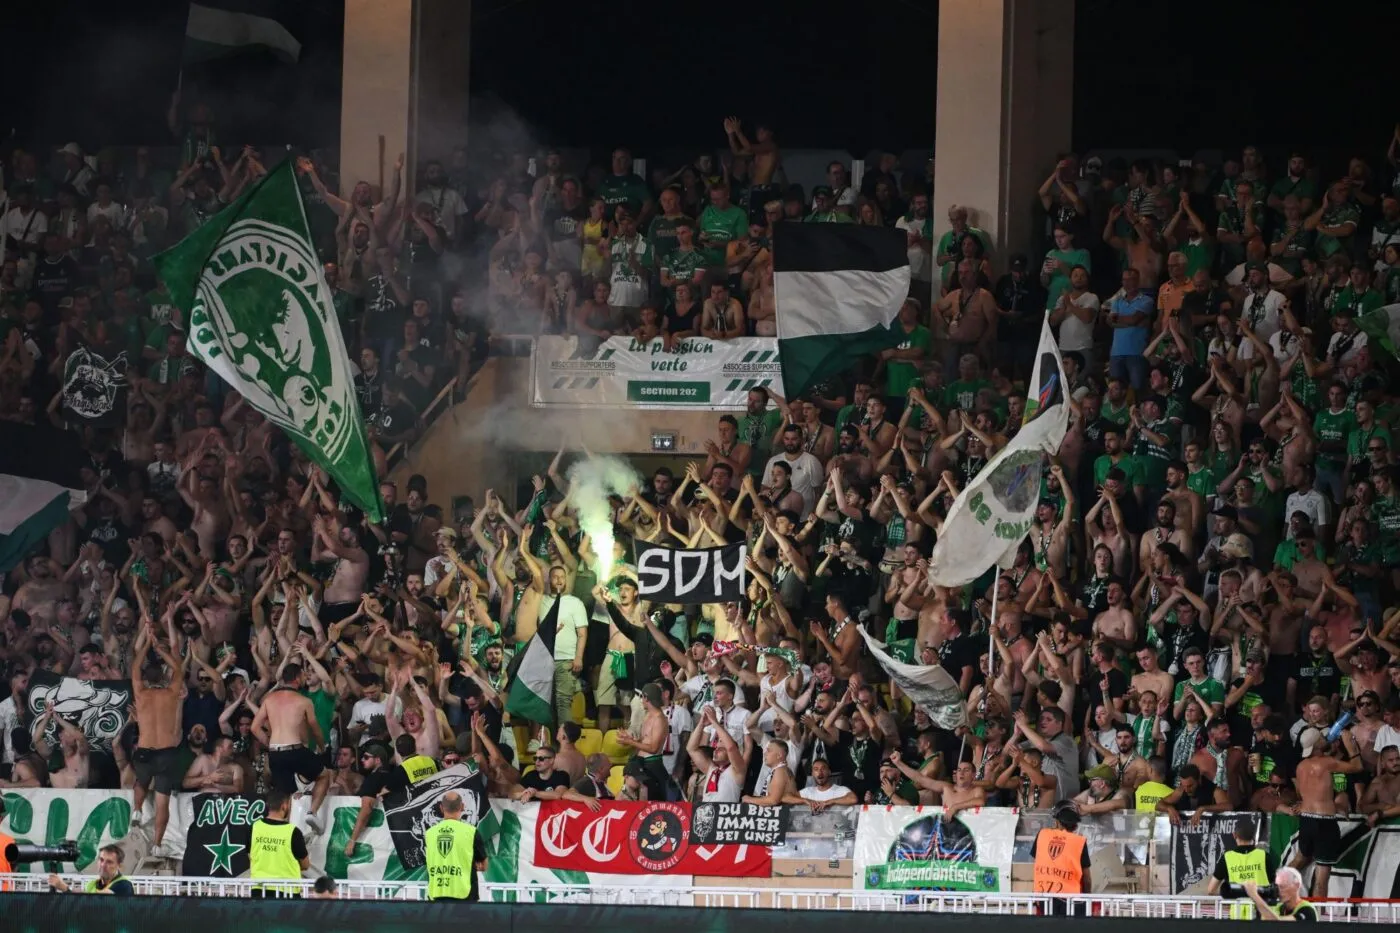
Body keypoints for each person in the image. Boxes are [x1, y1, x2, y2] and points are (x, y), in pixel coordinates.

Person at [251, 663, 330, 833]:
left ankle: (283, 831)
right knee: (324, 775)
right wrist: (323, 747)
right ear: (297, 677)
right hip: (295, 750)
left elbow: (254, 728)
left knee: (285, 795)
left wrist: (269, 743)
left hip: (275, 753)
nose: (304, 678)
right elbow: (314, 727)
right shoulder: (304, 700)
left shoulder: (269, 699)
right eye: (303, 675)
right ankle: (312, 812)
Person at [1209, 816, 1279, 919]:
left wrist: (1229, 896)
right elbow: (1276, 886)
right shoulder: (1265, 856)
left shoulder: (1227, 858)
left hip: (1238, 916)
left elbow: (1211, 890)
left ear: (1234, 835)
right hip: (1263, 914)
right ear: (1254, 837)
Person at [423, 791, 488, 902]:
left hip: (436, 895)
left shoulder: (429, 833)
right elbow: (484, 865)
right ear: (462, 807)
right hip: (464, 897)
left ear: (441, 808)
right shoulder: (471, 832)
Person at [249, 790, 311, 898]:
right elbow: (305, 864)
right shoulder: (293, 832)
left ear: (268, 805)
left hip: (259, 889)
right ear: (284, 806)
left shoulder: (254, 827)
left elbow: (250, 856)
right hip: (287, 891)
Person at [1031, 801, 1092, 909]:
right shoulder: (1079, 842)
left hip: (1044, 898)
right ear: (1075, 824)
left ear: (1057, 821)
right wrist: (1087, 899)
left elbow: (1037, 866)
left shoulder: (1042, 834)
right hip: (1071, 903)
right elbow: (1087, 878)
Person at [48, 845, 133, 896]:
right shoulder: (91, 884)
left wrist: (65, 888)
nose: (103, 865)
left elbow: (96, 900)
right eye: (101, 860)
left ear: (119, 866)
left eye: (109, 862)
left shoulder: (124, 885)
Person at [1242, 866, 1319, 922]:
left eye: (1282, 887)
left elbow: (1278, 924)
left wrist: (1255, 896)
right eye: (1277, 886)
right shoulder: (1277, 907)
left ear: (1297, 885)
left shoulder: (1307, 910)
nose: (1279, 891)